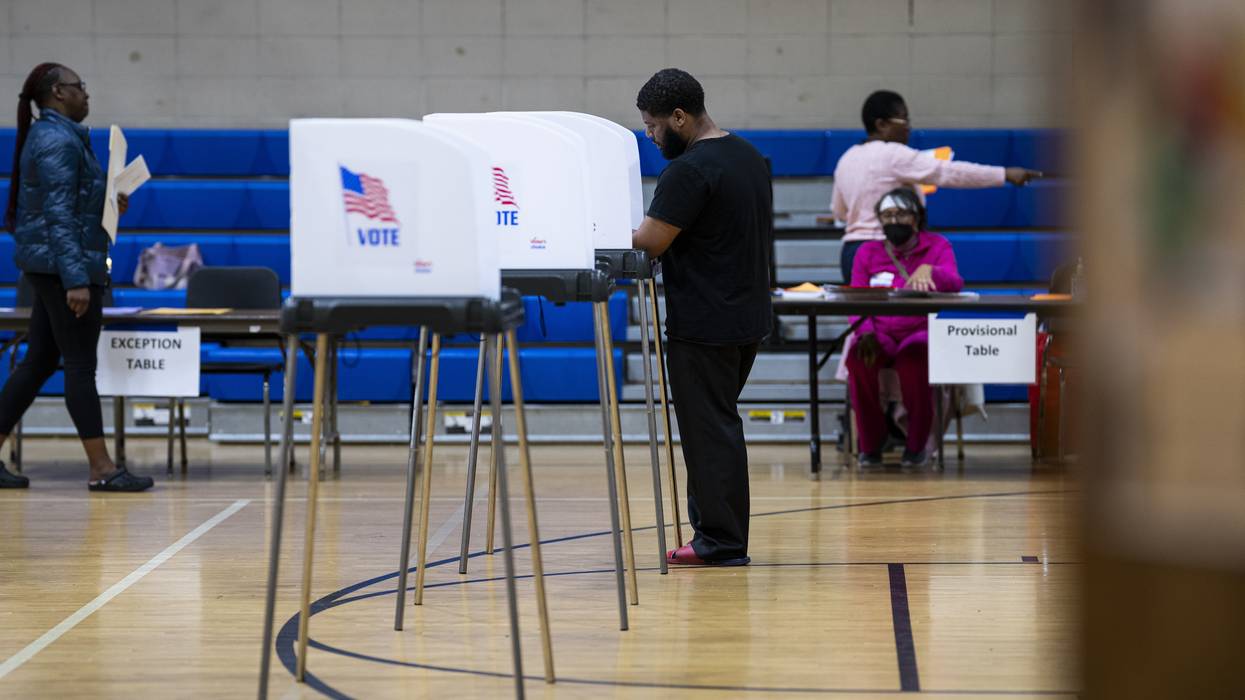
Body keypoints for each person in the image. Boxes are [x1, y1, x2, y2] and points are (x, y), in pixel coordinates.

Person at [632, 68, 771, 567]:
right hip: (746, 317)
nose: (650, 136)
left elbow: (651, 240)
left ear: (679, 117)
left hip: (705, 322)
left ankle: (720, 541)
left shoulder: (689, 170)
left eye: (652, 126)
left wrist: (599, 229)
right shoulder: (748, 157)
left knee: (709, 431)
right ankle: (718, 535)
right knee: (718, 425)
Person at [0, 63, 151, 491]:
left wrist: (108, 203)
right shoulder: (55, 141)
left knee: (39, 362)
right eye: (79, 87)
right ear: (57, 93)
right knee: (80, 366)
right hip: (63, 268)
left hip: (53, 264)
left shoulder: (60, 138)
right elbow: (57, 217)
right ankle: (102, 469)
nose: (87, 94)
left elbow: (71, 205)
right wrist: (75, 281)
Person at [831, 89, 1043, 281]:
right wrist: (1003, 174)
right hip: (885, 249)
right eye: (904, 119)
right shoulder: (894, 154)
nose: (909, 128)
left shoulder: (846, 158)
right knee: (899, 320)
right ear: (881, 124)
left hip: (851, 252)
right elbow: (949, 172)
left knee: (863, 320)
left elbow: (839, 212)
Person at [846, 188, 963, 468]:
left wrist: (931, 271)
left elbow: (956, 282)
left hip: (919, 329)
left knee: (916, 361)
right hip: (878, 330)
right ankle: (870, 445)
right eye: (887, 215)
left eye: (901, 214)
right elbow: (854, 300)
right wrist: (865, 333)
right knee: (859, 358)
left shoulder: (937, 246)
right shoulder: (867, 252)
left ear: (917, 217)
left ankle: (916, 446)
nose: (894, 220)